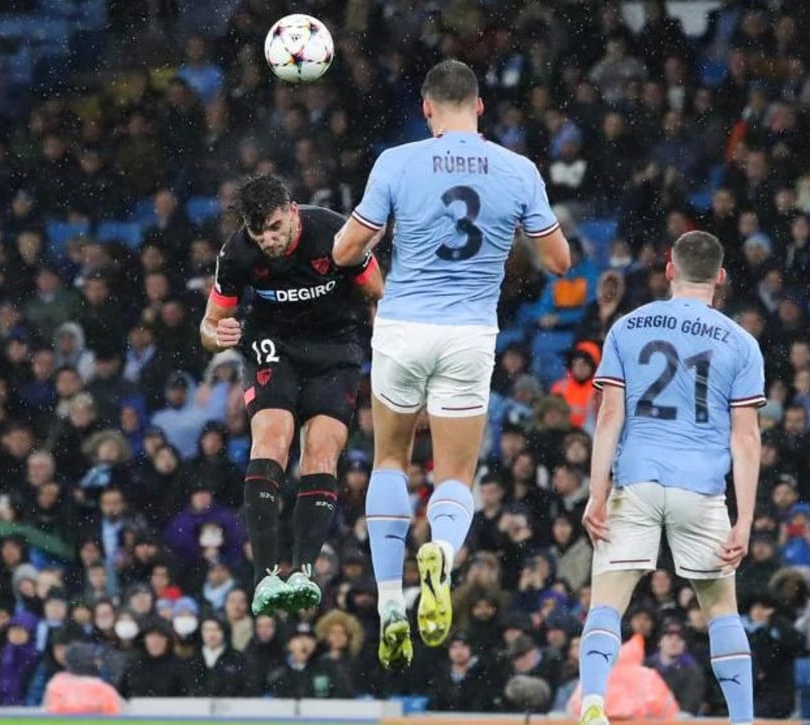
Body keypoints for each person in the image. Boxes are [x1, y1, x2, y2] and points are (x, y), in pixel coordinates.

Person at [333, 59, 571, 669]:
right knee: (455, 474)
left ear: (428, 109)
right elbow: (560, 261)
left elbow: (345, 250)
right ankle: (441, 547)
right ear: (481, 107)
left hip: (403, 325)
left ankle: (390, 600)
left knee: (389, 458)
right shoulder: (517, 170)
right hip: (468, 333)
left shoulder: (397, 162)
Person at [576, 231, 765, 725]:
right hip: (700, 487)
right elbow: (745, 440)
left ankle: (593, 701)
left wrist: (597, 493)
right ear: (720, 278)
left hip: (637, 480)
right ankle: (741, 720)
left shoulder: (626, 327)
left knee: (608, 601)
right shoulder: (742, 343)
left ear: (669, 270)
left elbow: (610, 415)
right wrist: (745, 519)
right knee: (721, 607)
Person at [200, 175, 383, 616]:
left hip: (336, 347)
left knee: (321, 453)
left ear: (293, 210)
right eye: (260, 233)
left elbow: (379, 294)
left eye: (276, 228)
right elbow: (208, 327)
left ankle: (302, 571)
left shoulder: (335, 232)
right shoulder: (238, 252)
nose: (270, 241)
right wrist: (217, 333)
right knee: (272, 442)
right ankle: (265, 576)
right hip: (273, 345)